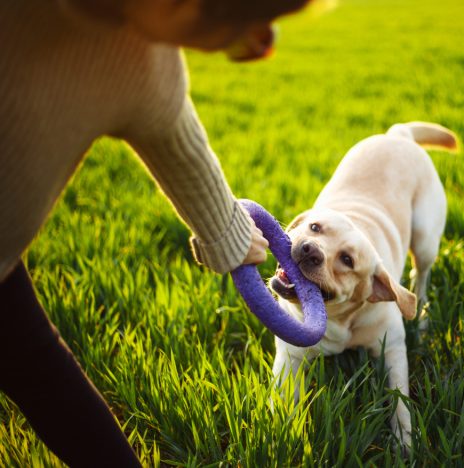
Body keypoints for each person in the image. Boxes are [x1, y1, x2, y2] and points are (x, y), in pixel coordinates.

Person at [0, 0, 311, 465]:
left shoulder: (144, 60)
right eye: (230, 16)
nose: (261, 37)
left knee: (38, 366)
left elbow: (178, 140)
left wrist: (227, 230)